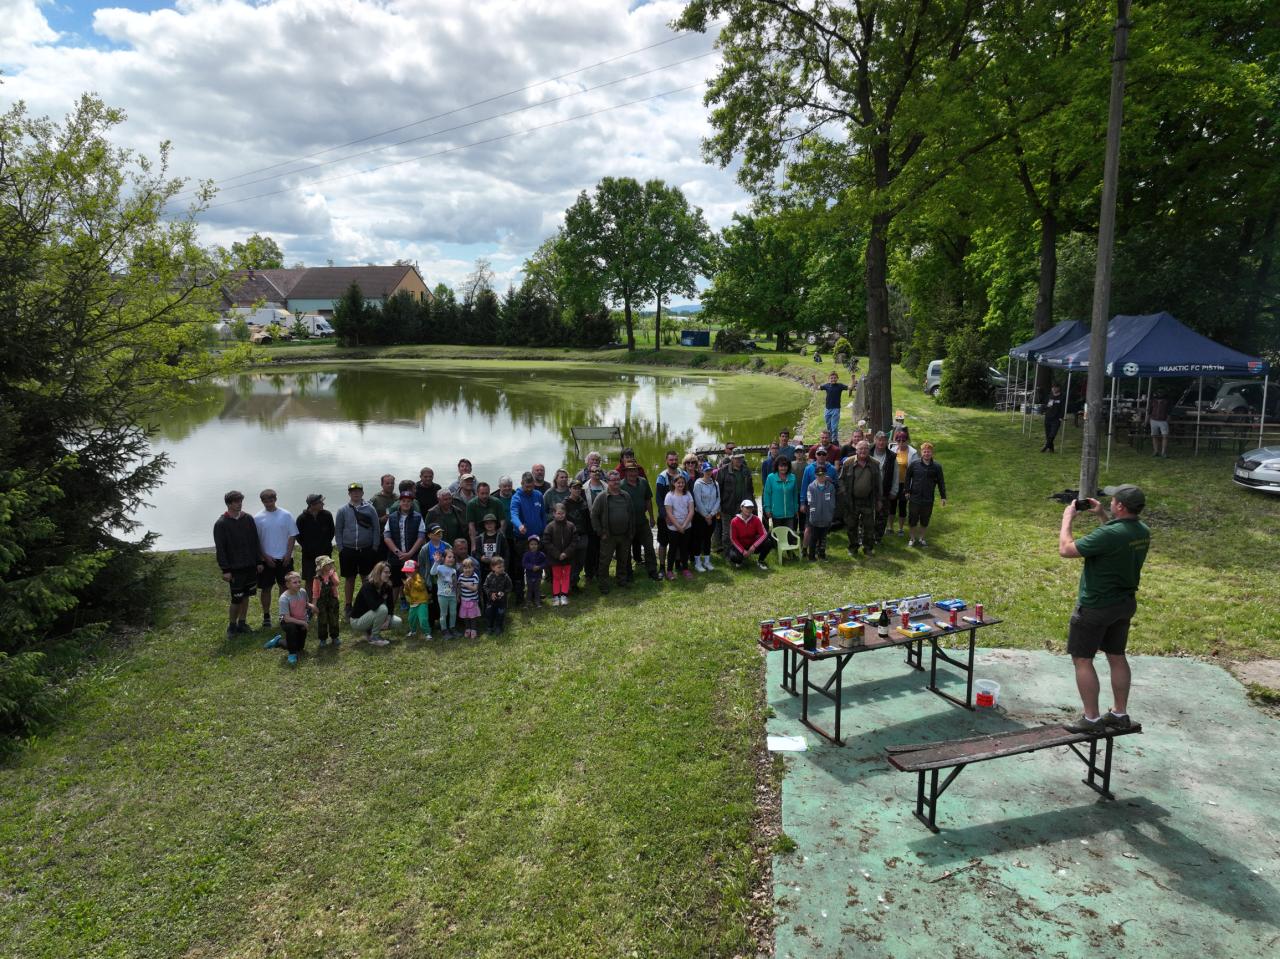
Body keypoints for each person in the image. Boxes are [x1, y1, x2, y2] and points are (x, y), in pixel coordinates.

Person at [1058, 485, 1150, 733]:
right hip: (1123, 604)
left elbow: (1066, 550)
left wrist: (1067, 518)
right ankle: (1120, 714)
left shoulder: (1110, 534)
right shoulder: (1142, 530)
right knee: (1117, 656)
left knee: (1082, 659)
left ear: (1120, 506)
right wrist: (1101, 515)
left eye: (1112, 500)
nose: (1109, 502)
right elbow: (1116, 537)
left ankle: (1091, 719)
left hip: (1096, 606)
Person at [213, 490, 263, 639]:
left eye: (240, 501)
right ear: (229, 504)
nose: (239, 504)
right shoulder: (221, 523)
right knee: (236, 598)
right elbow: (220, 548)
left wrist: (258, 561)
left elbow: (255, 541)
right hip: (235, 569)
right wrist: (225, 569)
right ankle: (232, 626)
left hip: (250, 566)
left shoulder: (248, 519)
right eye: (236, 502)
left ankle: (242, 623)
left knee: (246, 596)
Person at [334, 482, 380, 617]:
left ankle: (367, 603)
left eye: (358, 491)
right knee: (350, 578)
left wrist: (375, 546)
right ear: (349, 494)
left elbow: (376, 528)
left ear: (362, 493)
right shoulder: (342, 510)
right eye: (353, 491)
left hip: (366, 549)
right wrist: (341, 548)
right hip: (348, 550)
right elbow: (338, 530)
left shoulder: (370, 509)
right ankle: (348, 605)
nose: (356, 493)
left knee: (367, 578)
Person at [254, 488, 298, 629]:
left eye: (271, 500)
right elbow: (256, 540)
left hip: (284, 559)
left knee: (284, 587)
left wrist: (288, 554)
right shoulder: (257, 518)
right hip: (267, 560)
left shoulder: (286, 515)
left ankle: (283, 614)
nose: (268, 503)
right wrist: (265, 557)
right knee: (266, 588)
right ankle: (266, 616)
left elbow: (292, 535)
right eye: (265, 501)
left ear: (275, 499)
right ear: (262, 501)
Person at [591, 469, 634, 593]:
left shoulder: (626, 495)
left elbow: (632, 515)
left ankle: (622, 580)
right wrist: (600, 532)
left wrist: (631, 532)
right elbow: (594, 515)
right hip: (608, 536)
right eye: (613, 480)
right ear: (608, 481)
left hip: (624, 535)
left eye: (617, 480)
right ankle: (603, 584)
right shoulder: (602, 497)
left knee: (623, 559)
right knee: (605, 561)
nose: (616, 482)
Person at [384, 491, 426, 609]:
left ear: (412, 503)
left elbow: (421, 536)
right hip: (395, 556)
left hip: (412, 556)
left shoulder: (418, 517)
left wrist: (410, 553)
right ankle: (392, 607)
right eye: (403, 501)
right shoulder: (392, 517)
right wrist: (398, 552)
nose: (406, 503)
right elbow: (387, 536)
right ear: (399, 502)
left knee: (412, 580)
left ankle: (415, 605)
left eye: (408, 501)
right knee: (395, 582)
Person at [839, 441, 881, 556]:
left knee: (869, 526)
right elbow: (841, 479)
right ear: (856, 450)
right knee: (851, 525)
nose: (863, 451)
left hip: (868, 500)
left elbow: (878, 483)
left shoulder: (875, 463)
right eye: (860, 449)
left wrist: (878, 500)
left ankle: (868, 548)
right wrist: (844, 492)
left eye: (865, 448)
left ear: (869, 450)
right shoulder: (848, 462)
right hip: (852, 500)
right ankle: (853, 548)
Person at [509, 471, 546, 601]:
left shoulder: (538, 495)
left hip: (537, 538)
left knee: (536, 566)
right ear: (522, 483)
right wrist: (519, 526)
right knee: (521, 566)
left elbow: (543, 514)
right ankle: (520, 594)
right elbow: (513, 514)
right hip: (522, 539)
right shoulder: (516, 497)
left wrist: (544, 528)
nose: (529, 489)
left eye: (531, 486)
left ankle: (536, 592)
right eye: (527, 487)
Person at [905, 441, 947, 547]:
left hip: (928, 499)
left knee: (925, 519)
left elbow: (941, 482)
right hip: (915, 498)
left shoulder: (937, 467)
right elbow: (907, 477)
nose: (926, 453)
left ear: (932, 453)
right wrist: (907, 491)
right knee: (913, 519)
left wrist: (943, 497)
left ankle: (922, 538)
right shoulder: (914, 464)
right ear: (921, 452)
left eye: (929, 452)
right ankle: (912, 538)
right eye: (924, 451)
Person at [621, 464, 659, 580]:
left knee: (649, 546)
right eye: (630, 470)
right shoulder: (621, 485)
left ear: (638, 471)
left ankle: (652, 571)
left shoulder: (643, 482)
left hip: (642, 521)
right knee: (626, 549)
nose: (633, 473)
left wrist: (651, 517)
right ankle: (627, 573)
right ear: (626, 472)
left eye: (635, 470)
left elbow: (648, 500)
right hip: (627, 524)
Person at [270, 571, 314, 665]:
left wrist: (312, 606)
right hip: (288, 621)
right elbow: (287, 618)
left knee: (299, 647)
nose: (298, 584)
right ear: (287, 585)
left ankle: (278, 641)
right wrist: (303, 623)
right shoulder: (284, 598)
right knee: (291, 628)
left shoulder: (303, 592)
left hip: (300, 620)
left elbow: (305, 604)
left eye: (299, 582)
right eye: (295, 582)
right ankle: (292, 654)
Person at [654, 451, 687, 571]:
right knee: (663, 543)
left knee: (678, 541)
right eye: (671, 460)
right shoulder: (662, 477)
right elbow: (659, 499)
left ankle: (677, 564)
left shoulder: (684, 474)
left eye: (675, 459)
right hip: (665, 516)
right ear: (666, 461)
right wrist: (665, 515)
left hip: (680, 515)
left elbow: (687, 492)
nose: (673, 462)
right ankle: (662, 567)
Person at [350, 561, 396, 646]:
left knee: (397, 622)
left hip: (373, 615)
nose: (388, 575)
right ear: (378, 572)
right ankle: (374, 637)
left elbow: (391, 606)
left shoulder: (387, 586)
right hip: (357, 620)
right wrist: (383, 598)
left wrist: (387, 620)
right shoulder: (368, 585)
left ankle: (370, 631)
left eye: (389, 572)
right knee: (382, 609)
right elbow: (374, 606)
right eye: (386, 572)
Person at [717, 450, 755, 555]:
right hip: (727, 506)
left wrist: (752, 503)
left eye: (741, 458)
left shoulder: (746, 470)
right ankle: (727, 554)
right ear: (732, 458)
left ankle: (739, 552)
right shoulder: (723, 471)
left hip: (743, 507)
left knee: (741, 531)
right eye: (737, 458)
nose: (739, 460)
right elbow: (718, 490)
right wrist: (719, 506)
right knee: (727, 533)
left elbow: (750, 489)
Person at [295, 493, 334, 587]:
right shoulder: (301, 518)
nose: (323, 504)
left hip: (325, 554)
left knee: (326, 578)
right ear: (312, 505)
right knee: (309, 580)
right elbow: (298, 536)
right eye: (320, 502)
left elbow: (332, 532)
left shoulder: (327, 515)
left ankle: (325, 596)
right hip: (309, 556)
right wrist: (308, 547)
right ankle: (309, 597)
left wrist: (325, 545)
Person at [544, 502, 577, 606]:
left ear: (565, 513)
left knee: (566, 576)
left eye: (562, 513)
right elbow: (546, 542)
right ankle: (556, 596)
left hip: (568, 557)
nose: (561, 515)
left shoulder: (571, 526)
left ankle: (564, 595)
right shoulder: (550, 526)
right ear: (554, 514)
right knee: (556, 577)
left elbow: (574, 541)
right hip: (555, 558)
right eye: (558, 513)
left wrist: (566, 553)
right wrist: (558, 554)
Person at [663, 473, 695, 580]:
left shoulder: (688, 494)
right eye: (678, 482)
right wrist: (678, 527)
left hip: (686, 527)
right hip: (673, 528)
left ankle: (685, 569)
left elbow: (691, 511)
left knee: (684, 548)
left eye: (682, 482)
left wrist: (684, 525)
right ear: (674, 483)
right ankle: (669, 571)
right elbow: (669, 513)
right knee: (672, 549)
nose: (681, 484)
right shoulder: (669, 496)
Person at [886, 429, 917, 537]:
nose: (901, 442)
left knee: (902, 506)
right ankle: (890, 527)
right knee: (892, 506)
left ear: (907, 440)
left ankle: (900, 529)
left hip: (905, 484)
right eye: (898, 440)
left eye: (903, 440)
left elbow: (915, 470)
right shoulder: (892, 450)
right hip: (894, 483)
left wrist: (911, 487)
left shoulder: (913, 452)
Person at [562, 479, 591, 589]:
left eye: (579, 488)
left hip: (583, 535)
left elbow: (588, 519)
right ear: (570, 489)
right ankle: (568, 584)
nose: (577, 490)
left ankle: (574, 582)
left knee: (581, 561)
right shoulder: (565, 504)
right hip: (571, 537)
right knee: (571, 561)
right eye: (574, 488)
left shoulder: (583, 502)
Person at [692, 462, 721, 572]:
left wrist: (712, 514)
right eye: (706, 470)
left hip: (712, 515)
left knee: (708, 538)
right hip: (700, 516)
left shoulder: (715, 483)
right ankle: (697, 563)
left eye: (710, 470)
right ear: (702, 471)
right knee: (698, 539)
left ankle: (707, 561)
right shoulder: (698, 484)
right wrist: (705, 515)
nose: (708, 472)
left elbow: (718, 499)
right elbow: (697, 501)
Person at [728, 500, 772, 570]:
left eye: (751, 508)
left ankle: (760, 561)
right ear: (741, 508)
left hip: (752, 544)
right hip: (741, 544)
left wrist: (754, 546)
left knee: (768, 542)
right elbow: (733, 538)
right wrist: (743, 551)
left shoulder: (756, 519)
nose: (749, 510)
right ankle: (740, 561)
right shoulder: (734, 521)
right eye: (747, 507)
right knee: (734, 557)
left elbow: (764, 534)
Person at [805, 464, 837, 560]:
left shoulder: (831, 487)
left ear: (826, 475)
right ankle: (811, 556)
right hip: (815, 517)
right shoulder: (811, 487)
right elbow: (810, 502)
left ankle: (822, 554)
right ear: (815, 475)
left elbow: (832, 502)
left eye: (823, 475)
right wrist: (813, 514)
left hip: (826, 517)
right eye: (819, 475)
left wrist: (830, 513)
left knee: (823, 538)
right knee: (814, 537)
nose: (821, 477)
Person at [582, 465, 608, 580]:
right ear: (589, 473)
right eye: (594, 471)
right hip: (589, 523)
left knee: (601, 549)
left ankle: (599, 571)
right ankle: (589, 573)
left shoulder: (606, 486)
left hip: (604, 523)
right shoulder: (584, 488)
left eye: (598, 471)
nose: (596, 473)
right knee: (590, 550)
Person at [815, 369, 855, 442]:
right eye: (831, 378)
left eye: (835, 378)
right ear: (829, 379)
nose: (833, 379)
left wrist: (853, 379)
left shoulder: (840, 386)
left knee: (834, 427)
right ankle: (829, 440)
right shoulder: (827, 385)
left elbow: (850, 388)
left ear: (837, 378)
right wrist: (814, 379)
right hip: (827, 409)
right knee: (829, 427)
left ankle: (834, 440)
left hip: (836, 409)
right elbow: (817, 388)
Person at [311, 555, 342, 647]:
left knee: (334, 619)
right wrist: (314, 605)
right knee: (322, 620)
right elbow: (315, 592)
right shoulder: (317, 578)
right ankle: (323, 638)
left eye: (330, 563)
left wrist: (331, 576)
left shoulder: (333, 574)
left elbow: (337, 583)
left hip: (333, 600)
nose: (330, 565)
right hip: (321, 602)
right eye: (328, 564)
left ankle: (335, 637)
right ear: (322, 567)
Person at [762, 456, 798, 532]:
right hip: (776, 513)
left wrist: (796, 508)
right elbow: (767, 494)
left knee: (789, 534)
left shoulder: (793, 477)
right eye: (781, 466)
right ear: (777, 466)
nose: (783, 468)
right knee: (778, 535)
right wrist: (767, 509)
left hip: (790, 513)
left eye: (785, 466)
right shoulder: (770, 478)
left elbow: (795, 494)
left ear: (788, 466)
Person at [431, 548, 459, 638]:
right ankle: (444, 630)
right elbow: (432, 572)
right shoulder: (440, 567)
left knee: (453, 613)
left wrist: (457, 595)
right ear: (443, 558)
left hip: (452, 595)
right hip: (442, 595)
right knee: (443, 613)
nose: (452, 559)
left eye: (453, 557)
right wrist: (436, 562)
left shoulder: (454, 570)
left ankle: (452, 628)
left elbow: (455, 583)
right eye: (449, 557)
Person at [474, 513, 510, 582]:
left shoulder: (501, 538)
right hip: (484, 568)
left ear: (495, 524)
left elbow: (506, 553)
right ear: (484, 525)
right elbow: (476, 552)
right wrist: (481, 558)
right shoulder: (480, 538)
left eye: (491, 523)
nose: (489, 525)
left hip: (498, 567)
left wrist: (504, 566)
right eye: (487, 523)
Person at [402, 560, 431, 641]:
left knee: (423, 619)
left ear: (416, 570)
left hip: (422, 602)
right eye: (406, 572)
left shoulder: (418, 578)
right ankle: (413, 631)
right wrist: (406, 586)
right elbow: (406, 592)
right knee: (411, 618)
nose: (407, 573)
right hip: (413, 602)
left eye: (409, 571)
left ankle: (427, 633)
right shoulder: (408, 580)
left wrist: (412, 581)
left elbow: (420, 587)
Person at [484, 557, 513, 635]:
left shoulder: (506, 576)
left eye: (503, 566)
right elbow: (485, 586)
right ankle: (489, 627)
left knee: (500, 614)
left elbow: (510, 587)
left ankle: (499, 627)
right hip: (491, 600)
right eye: (499, 567)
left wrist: (504, 593)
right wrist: (490, 594)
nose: (502, 568)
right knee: (489, 613)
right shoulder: (489, 576)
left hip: (502, 601)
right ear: (493, 568)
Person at [466, 480, 500, 544]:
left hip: (494, 534)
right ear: (477, 493)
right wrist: (473, 544)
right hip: (478, 536)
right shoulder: (471, 504)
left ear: (489, 492)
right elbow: (471, 525)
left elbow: (502, 521)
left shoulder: (497, 502)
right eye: (482, 493)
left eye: (487, 493)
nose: (485, 496)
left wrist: (499, 538)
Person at [457, 557, 482, 637]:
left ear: (473, 568)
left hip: (472, 600)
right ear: (462, 568)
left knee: (472, 616)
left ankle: (473, 629)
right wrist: (458, 596)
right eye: (465, 568)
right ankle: (467, 628)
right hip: (464, 600)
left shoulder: (475, 576)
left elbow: (475, 588)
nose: (468, 570)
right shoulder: (461, 576)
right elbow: (459, 588)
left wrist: (466, 585)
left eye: (470, 567)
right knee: (465, 616)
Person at [522, 534, 548, 608]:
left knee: (537, 589)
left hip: (538, 575)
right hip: (529, 575)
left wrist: (539, 567)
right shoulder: (526, 554)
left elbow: (545, 562)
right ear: (528, 545)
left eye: (535, 544)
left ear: (538, 545)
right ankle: (528, 602)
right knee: (529, 589)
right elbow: (524, 563)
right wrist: (531, 567)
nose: (533, 546)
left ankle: (537, 602)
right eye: (531, 544)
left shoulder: (541, 554)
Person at [1042, 383, 1065, 453]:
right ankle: (1051, 449)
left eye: (1055, 387)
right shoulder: (1049, 396)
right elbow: (1045, 406)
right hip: (1048, 417)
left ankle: (1046, 446)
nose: (1054, 389)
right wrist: (1047, 407)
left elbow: (1063, 408)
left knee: (1053, 434)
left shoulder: (1062, 397)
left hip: (1056, 418)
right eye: (1052, 387)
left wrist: (1061, 416)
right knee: (1048, 434)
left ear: (1059, 388)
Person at [1147, 391, 1170, 458]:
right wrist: (1147, 420)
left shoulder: (1166, 401)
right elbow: (1149, 411)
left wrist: (1167, 419)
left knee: (1165, 436)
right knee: (1154, 436)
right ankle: (1156, 451)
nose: (1159, 394)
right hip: (1153, 419)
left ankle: (1163, 452)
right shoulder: (1153, 401)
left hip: (1163, 420)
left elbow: (1169, 411)